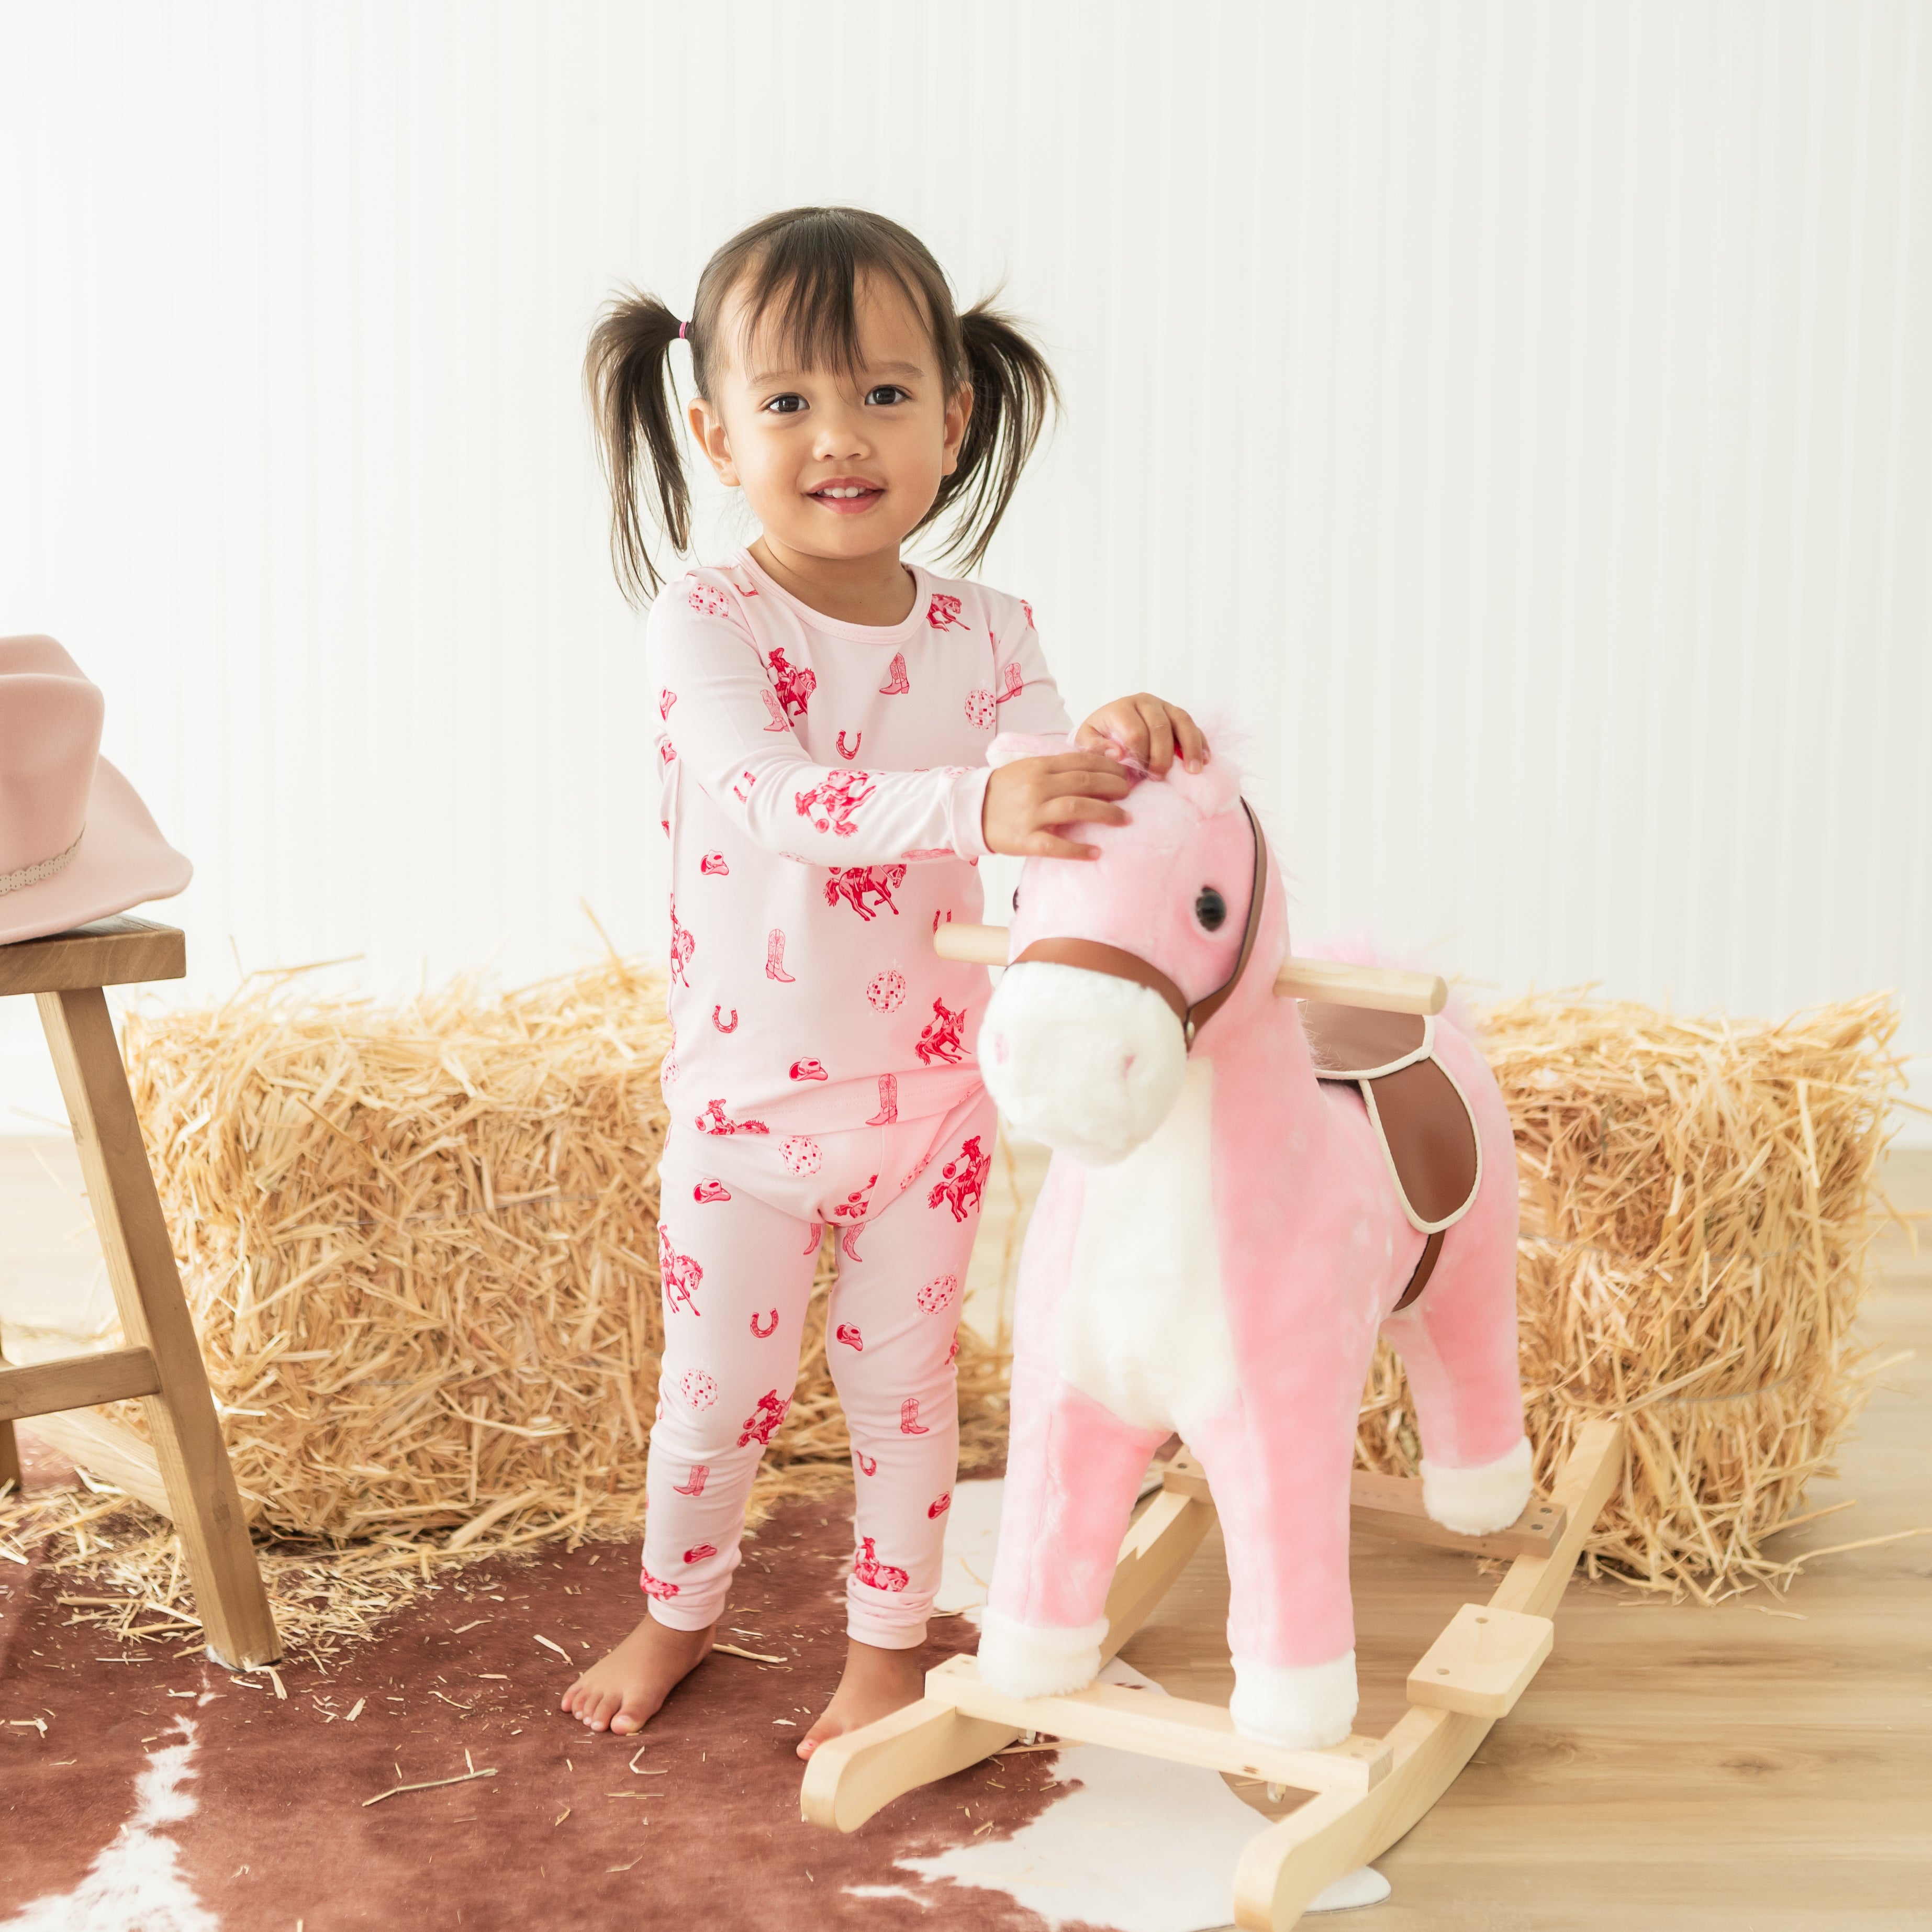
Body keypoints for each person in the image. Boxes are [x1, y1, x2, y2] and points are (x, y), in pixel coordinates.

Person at [562, 206, 1206, 1754]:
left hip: (930, 1101)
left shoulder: (991, 630)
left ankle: (885, 1643)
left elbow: (1050, 803)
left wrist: (1112, 748)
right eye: (788, 402)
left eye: (883, 394)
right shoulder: (708, 617)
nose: (838, 436)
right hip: (746, 1104)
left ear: (954, 414)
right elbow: (776, 796)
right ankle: (677, 1609)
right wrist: (982, 801)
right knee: (714, 1397)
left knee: (904, 1390)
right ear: (717, 433)